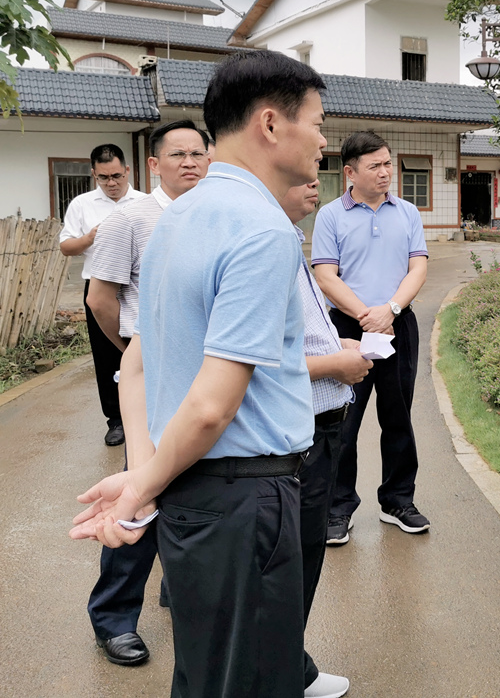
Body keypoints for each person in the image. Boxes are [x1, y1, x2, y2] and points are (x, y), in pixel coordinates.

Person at [70, 50, 328, 698]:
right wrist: (136, 493)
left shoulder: (175, 218)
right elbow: (214, 404)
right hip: (247, 501)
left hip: (194, 496)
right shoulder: (263, 230)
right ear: (271, 124)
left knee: (209, 675)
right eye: (317, 122)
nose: (324, 141)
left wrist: (147, 473)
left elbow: (136, 365)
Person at [83, 120, 211, 667]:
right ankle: (112, 618)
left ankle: (175, 586)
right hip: (150, 372)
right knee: (142, 493)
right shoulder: (130, 218)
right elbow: (100, 298)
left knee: (197, 488)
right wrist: (137, 350)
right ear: (154, 165)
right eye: (177, 154)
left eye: (198, 153)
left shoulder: (212, 212)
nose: (190, 162)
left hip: (206, 374)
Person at [278, 180, 373, 698]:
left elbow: (299, 332)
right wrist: (335, 363)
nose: (316, 180)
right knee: (291, 558)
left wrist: (337, 345)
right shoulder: (267, 240)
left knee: (305, 551)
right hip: (300, 429)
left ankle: (292, 664)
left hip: (320, 422)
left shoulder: (292, 236)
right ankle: (284, 670)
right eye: (305, 171)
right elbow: (255, 358)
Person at [311, 130, 429, 545]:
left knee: (398, 417)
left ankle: (398, 500)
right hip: (346, 329)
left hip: (399, 325)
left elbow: (417, 268)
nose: (385, 173)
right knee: (343, 422)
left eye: (387, 164)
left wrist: (390, 310)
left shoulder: (407, 212)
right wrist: (364, 314)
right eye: (375, 166)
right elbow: (326, 275)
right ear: (350, 172)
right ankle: (338, 508)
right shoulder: (330, 215)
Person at [59, 144, 144, 446]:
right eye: (104, 177)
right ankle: (116, 421)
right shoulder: (82, 205)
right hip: (100, 287)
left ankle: (151, 413)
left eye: (117, 176)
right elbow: (66, 246)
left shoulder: (144, 203)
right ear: (94, 174)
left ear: (128, 171)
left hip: (138, 288)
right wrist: (89, 238)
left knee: (145, 350)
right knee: (107, 356)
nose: (112, 183)